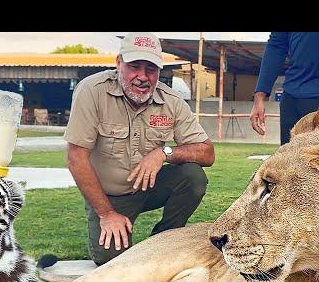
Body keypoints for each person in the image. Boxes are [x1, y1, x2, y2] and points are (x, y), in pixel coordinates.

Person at [64, 32, 215, 266]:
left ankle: (164, 240)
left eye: (151, 69)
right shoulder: (92, 91)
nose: (142, 77)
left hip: (149, 188)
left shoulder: (171, 101)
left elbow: (207, 153)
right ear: (118, 63)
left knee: (193, 176)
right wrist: (106, 214)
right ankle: (112, 222)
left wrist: (164, 153)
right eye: (134, 66)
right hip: (110, 198)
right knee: (111, 262)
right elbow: (76, 159)